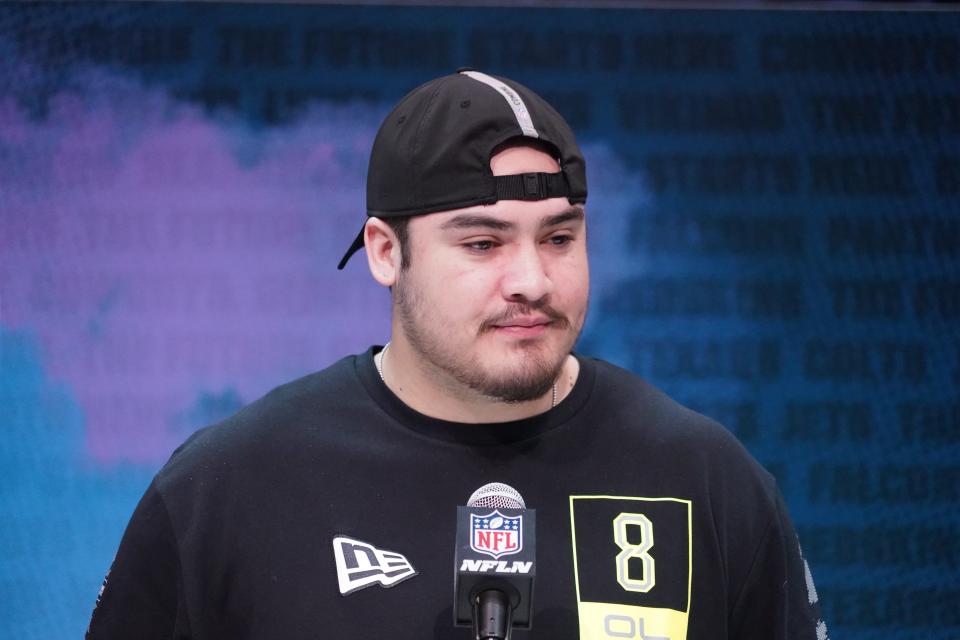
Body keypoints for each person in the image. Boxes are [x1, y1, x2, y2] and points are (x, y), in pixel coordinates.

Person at [87, 69, 827, 640]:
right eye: (483, 243)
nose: (532, 281)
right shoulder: (226, 490)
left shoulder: (706, 480)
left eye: (560, 238)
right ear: (385, 251)